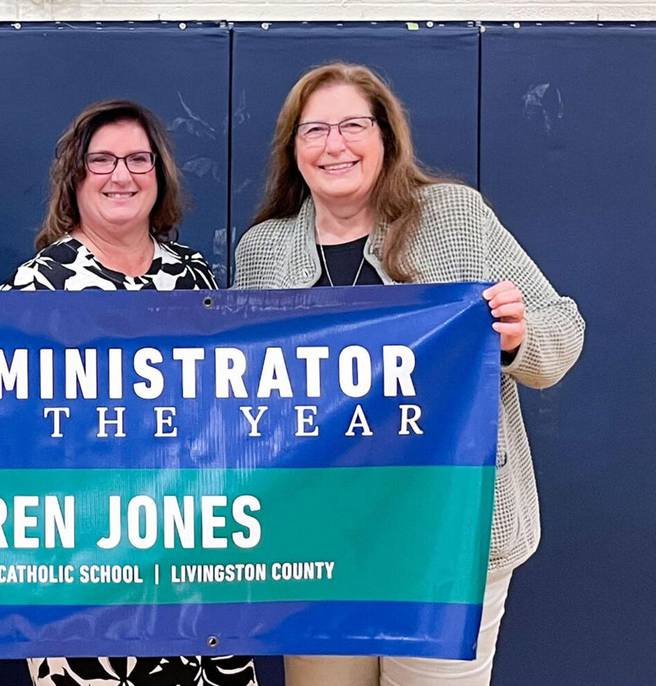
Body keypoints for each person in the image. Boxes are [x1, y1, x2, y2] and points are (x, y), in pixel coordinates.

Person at [233, 62, 585, 685]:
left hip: (446, 543)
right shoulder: (263, 251)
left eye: (352, 125)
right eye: (313, 130)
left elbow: (562, 329)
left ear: (386, 137)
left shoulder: (453, 217)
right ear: (292, 149)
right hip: (320, 549)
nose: (333, 144)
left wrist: (518, 338)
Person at [1, 99, 258, 686]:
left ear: (159, 173)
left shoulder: (195, 276)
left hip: (196, 558)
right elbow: (14, 436)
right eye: (103, 160)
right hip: (85, 566)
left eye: (139, 159)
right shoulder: (35, 286)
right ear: (75, 177)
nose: (122, 174)